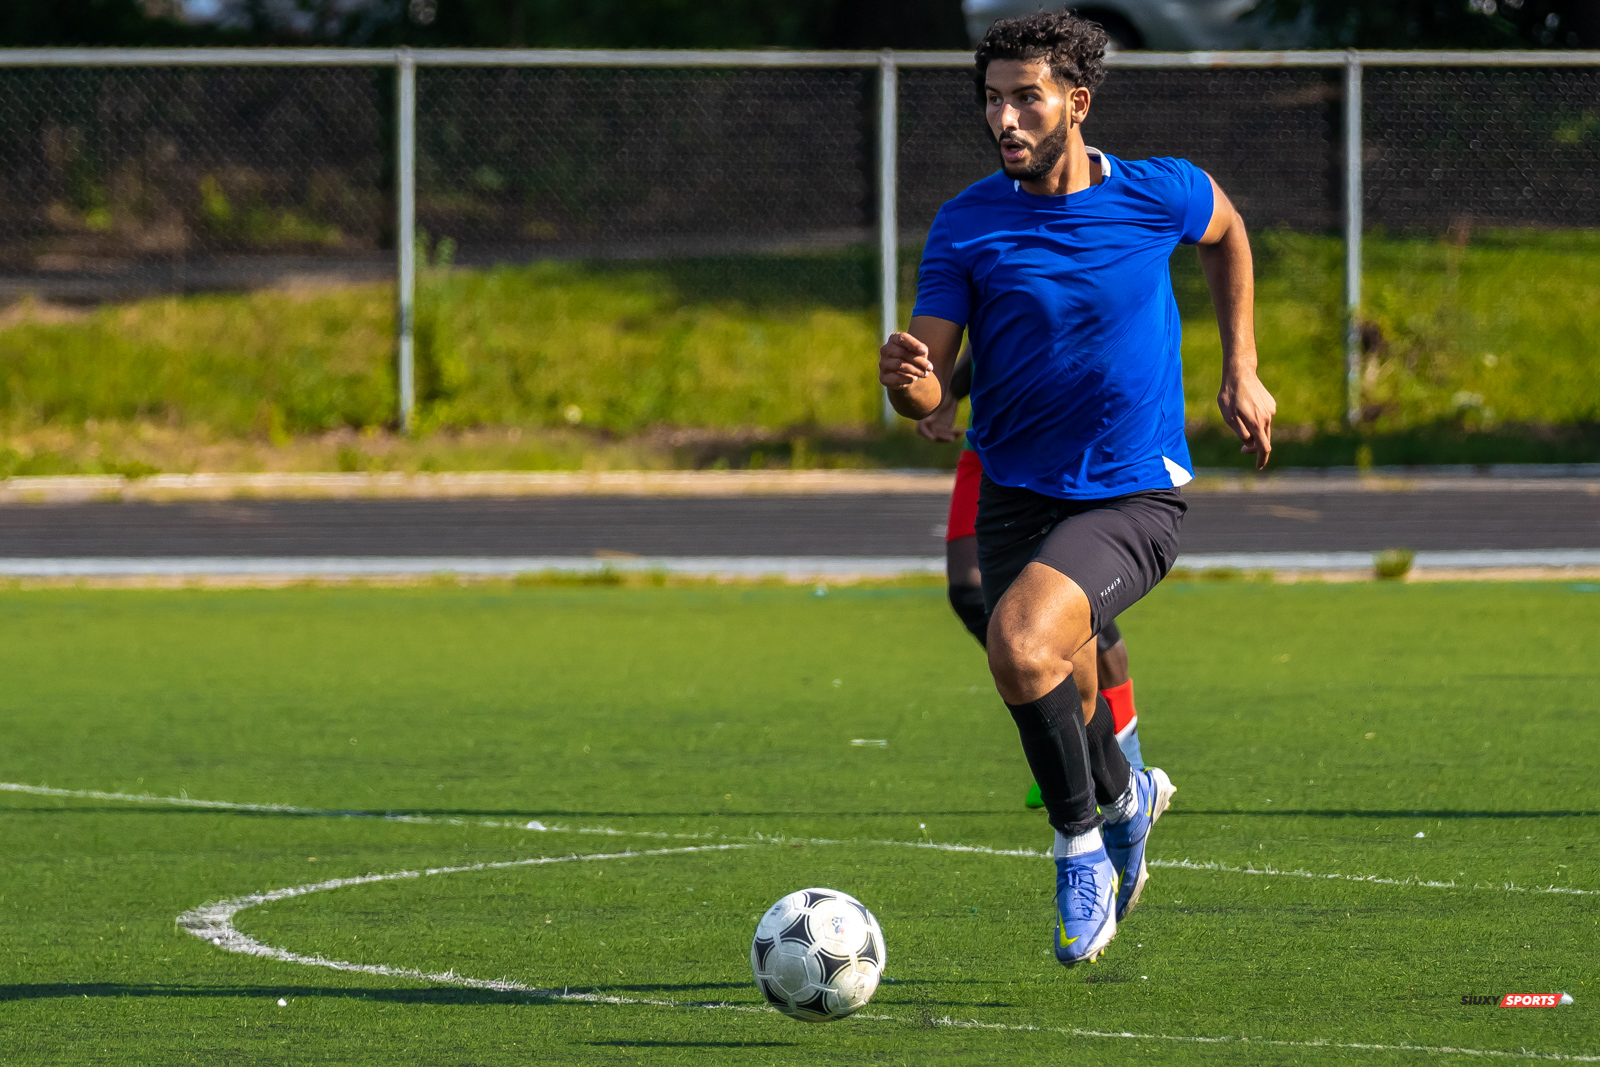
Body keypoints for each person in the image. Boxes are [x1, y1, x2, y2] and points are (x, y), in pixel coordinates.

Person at [879, 10, 1275, 965]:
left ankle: (1079, 848)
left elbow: (1227, 233)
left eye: (1026, 98)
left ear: (1076, 104)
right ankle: (1127, 797)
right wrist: (912, 381)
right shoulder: (968, 220)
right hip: (1018, 487)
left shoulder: (1156, 192)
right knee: (1066, 681)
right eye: (992, 100)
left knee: (1018, 646)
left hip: (1133, 494)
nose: (1005, 119)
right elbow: (931, 372)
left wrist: (1242, 365)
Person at [917, 351, 1148, 794]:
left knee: (1071, 597)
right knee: (972, 592)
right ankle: (1079, 744)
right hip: (991, 440)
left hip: (1064, 438)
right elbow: (987, 324)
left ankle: (1120, 756)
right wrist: (947, 388)